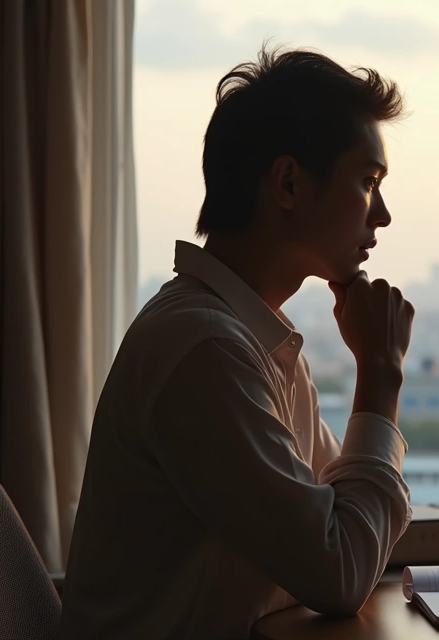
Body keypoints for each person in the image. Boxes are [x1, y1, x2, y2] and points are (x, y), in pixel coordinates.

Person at [58, 46, 415, 639]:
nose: (382, 215)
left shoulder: (256, 340)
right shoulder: (205, 349)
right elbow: (340, 569)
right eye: (368, 181)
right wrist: (381, 377)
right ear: (289, 183)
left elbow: (345, 521)